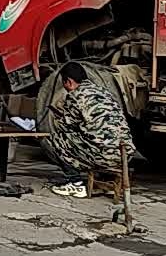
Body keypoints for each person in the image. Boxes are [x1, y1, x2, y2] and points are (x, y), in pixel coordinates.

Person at [47, 61, 134, 198]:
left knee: (56, 138)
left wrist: (59, 116)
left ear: (69, 81)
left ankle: (75, 184)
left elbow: (66, 127)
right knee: (97, 137)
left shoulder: (76, 96)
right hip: (125, 155)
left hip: (104, 156)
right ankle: (106, 180)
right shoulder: (104, 92)